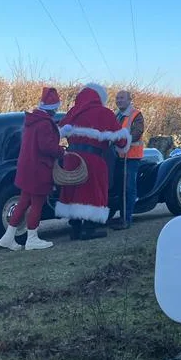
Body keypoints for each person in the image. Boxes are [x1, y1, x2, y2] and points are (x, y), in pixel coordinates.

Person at [55, 83, 130, 241]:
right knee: (92, 191)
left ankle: (75, 228)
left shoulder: (73, 112)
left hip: (71, 158)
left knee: (72, 190)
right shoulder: (104, 113)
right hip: (93, 159)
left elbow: (57, 132)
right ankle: (89, 228)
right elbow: (122, 141)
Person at [0, 86, 64, 252]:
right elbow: (47, 147)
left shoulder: (32, 121)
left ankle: (8, 237)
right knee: (37, 204)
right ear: (53, 107)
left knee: (23, 202)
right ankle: (32, 238)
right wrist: (62, 151)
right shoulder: (44, 124)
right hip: (39, 169)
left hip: (27, 168)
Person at [110, 89, 144, 230]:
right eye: (117, 98)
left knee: (129, 188)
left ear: (130, 100)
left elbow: (136, 134)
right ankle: (119, 216)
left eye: (122, 98)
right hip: (117, 157)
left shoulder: (136, 115)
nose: (119, 100)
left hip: (131, 157)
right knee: (119, 187)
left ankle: (127, 218)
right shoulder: (116, 115)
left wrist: (118, 139)